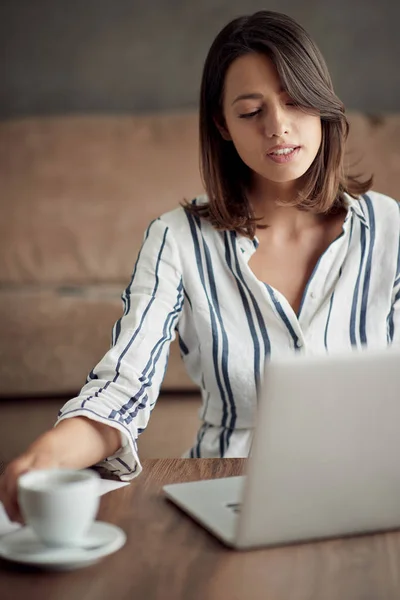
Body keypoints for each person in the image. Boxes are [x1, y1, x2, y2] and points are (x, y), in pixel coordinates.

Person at [1, 10, 399, 522]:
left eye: (295, 100)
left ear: (322, 102)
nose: (278, 127)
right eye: (251, 111)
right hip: (225, 491)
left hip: (367, 492)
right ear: (223, 124)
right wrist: (48, 455)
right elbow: (123, 389)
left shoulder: (388, 228)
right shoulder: (175, 239)